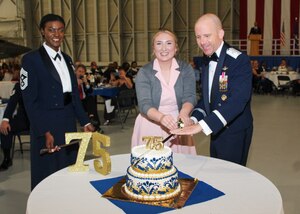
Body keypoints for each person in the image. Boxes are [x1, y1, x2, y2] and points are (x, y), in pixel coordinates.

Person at [20, 14, 94, 190]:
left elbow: (74, 95)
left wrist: (85, 121)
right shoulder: (31, 59)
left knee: (68, 167)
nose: (56, 34)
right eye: (51, 30)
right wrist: (43, 130)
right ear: (42, 32)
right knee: (47, 171)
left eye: (60, 30)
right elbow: (29, 100)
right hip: (47, 123)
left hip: (68, 121)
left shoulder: (68, 59)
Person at [171, 13, 253, 166]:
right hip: (215, 129)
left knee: (232, 178)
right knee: (218, 177)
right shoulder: (206, 60)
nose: (202, 42)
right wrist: (192, 119)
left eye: (207, 35)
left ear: (221, 34)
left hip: (233, 132)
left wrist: (201, 126)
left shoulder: (238, 60)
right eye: (198, 37)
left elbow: (238, 102)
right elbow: (207, 100)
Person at [131, 29, 197, 154]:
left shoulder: (186, 69)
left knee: (183, 166)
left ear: (176, 47)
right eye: (159, 43)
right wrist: (161, 118)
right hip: (151, 124)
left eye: (169, 43)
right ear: (153, 48)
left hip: (179, 121)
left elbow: (190, 96)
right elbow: (144, 104)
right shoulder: (144, 72)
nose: (164, 48)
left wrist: (184, 113)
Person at [0, 77, 30, 171]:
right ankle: (7, 158)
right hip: (24, 119)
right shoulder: (19, 85)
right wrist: (5, 120)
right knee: (5, 128)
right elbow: (12, 103)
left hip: (40, 119)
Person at [75, 64, 103, 133]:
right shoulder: (72, 81)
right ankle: (95, 126)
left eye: (83, 72)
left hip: (84, 101)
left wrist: (86, 83)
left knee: (90, 99)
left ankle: (92, 119)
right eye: (79, 71)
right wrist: (76, 84)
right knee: (90, 102)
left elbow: (90, 91)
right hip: (76, 101)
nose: (81, 73)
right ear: (76, 72)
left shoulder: (84, 80)